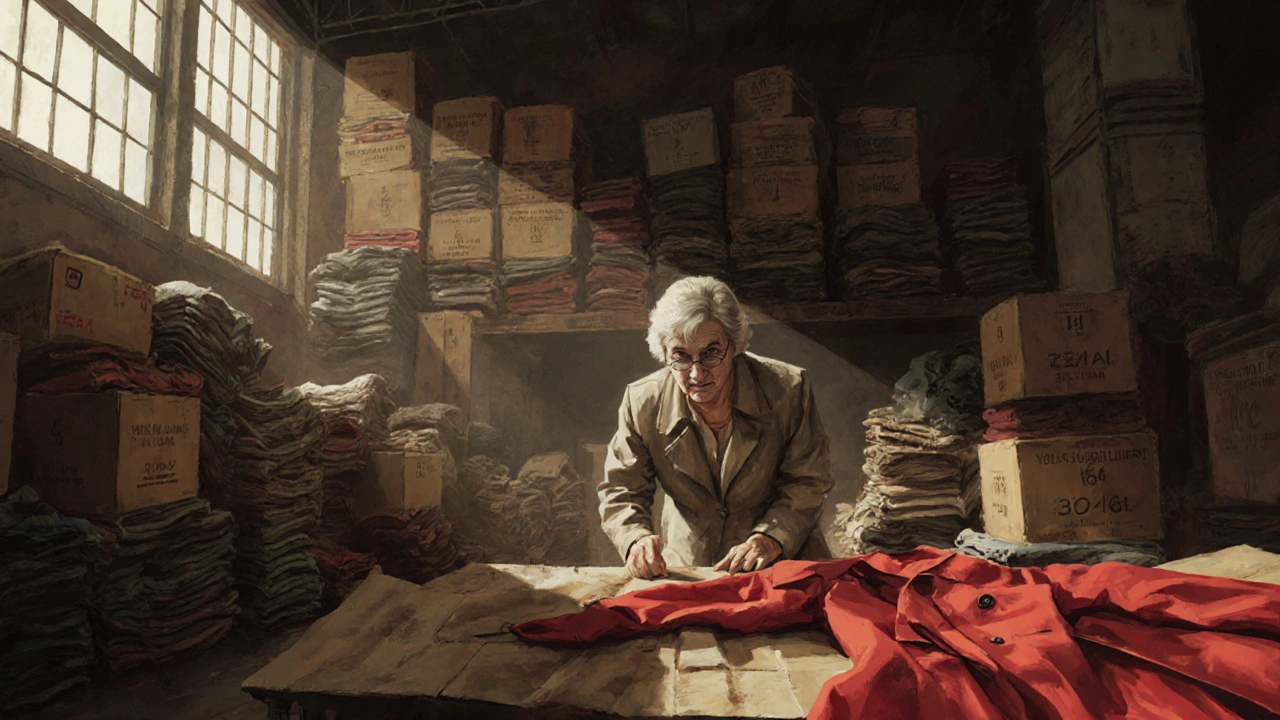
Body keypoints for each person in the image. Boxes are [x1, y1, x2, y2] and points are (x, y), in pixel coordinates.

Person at [599, 276, 833, 578]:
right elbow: (621, 490)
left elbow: (809, 481)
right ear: (664, 354)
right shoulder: (642, 402)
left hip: (784, 562)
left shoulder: (789, 389)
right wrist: (635, 540)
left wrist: (771, 539)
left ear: (734, 346)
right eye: (680, 356)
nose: (696, 374)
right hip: (690, 566)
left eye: (710, 353)